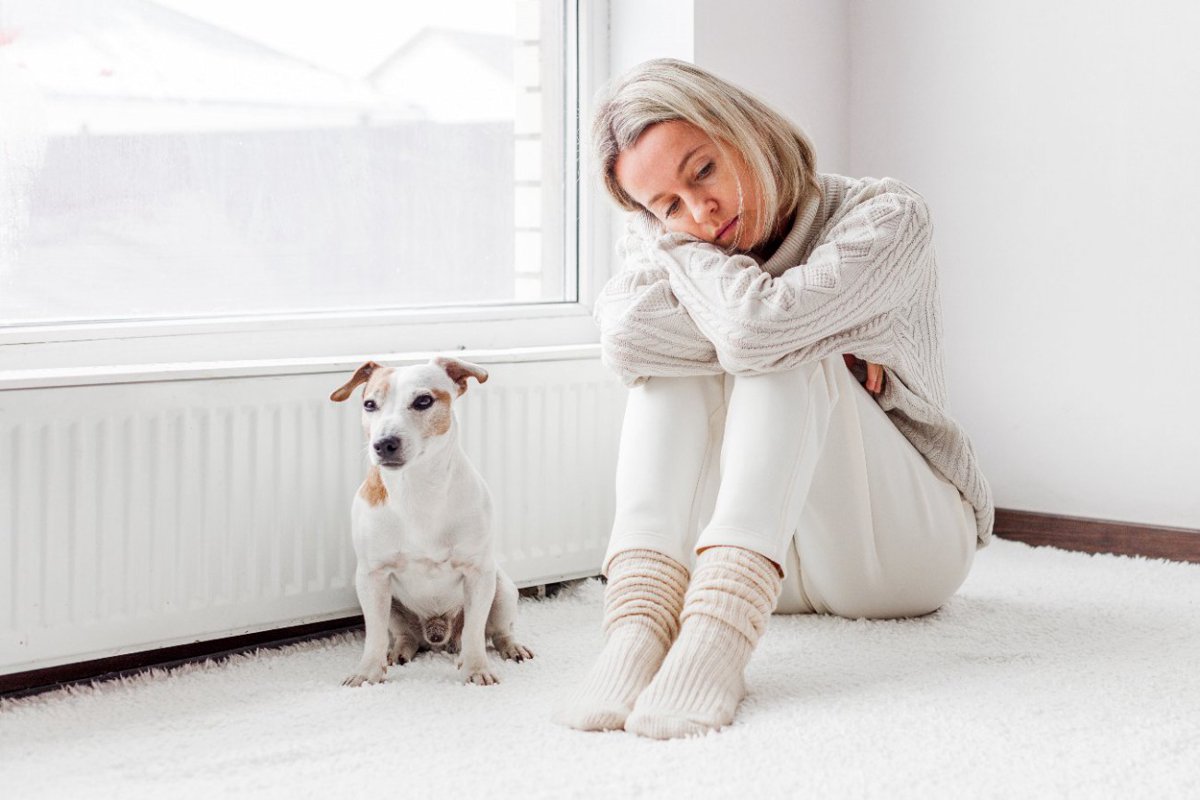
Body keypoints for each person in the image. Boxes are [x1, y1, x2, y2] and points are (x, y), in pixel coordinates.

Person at [552, 59, 993, 740]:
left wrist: (698, 271)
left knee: (783, 344)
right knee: (684, 362)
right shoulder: (674, 242)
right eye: (665, 207)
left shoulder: (886, 214)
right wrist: (682, 252)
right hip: (768, 557)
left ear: (747, 128)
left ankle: (719, 638)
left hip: (901, 551)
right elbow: (629, 341)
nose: (699, 213)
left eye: (702, 171)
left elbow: (761, 330)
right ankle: (638, 625)